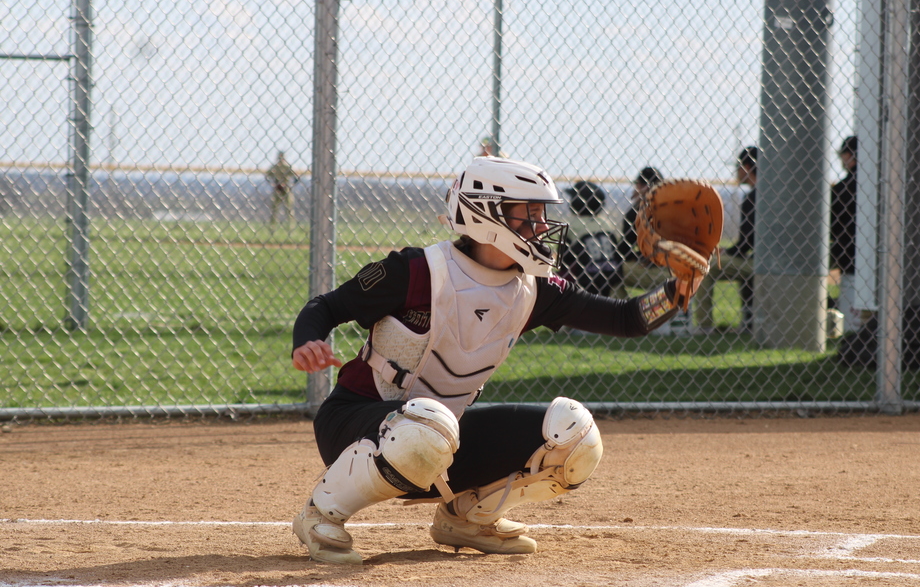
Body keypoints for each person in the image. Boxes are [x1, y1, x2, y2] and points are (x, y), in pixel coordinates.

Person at [290, 156, 688, 564]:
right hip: (354, 426)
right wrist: (307, 341)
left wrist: (678, 289)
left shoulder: (536, 289)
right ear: (485, 214)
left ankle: (466, 517)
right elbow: (326, 306)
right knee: (428, 423)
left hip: (439, 438)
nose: (543, 226)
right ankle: (321, 513)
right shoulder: (416, 271)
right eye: (529, 214)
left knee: (574, 435)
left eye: (542, 214)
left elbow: (626, 318)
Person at [690, 147, 757, 333]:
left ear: (747, 167)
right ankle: (749, 323)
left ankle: (703, 326)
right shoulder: (771, 193)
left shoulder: (754, 197)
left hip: (759, 262)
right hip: (765, 259)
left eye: (739, 166)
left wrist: (728, 252)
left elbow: (746, 243)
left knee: (704, 268)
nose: (736, 171)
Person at [560, 180, 623, 297]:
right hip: (612, 281)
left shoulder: (573, 225)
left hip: (583, 283)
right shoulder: (606, 224)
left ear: (577, 203)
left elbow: (563, 261)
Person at [618, 166, 665, 291]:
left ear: (642, 186)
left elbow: (625, 250)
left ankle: (618, 308)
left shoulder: (637, 212)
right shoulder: (674, 206)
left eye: (638, 185)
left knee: (610, 271)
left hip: (653, 271)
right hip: (679, 269)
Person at [830, 136, 860, 332]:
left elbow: (831, 226)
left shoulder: (841, 189)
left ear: (849, 156)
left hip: (846, 253)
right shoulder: (880, 184)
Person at [265, 151, 298, 224]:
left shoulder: (285, 167)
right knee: (276, 208)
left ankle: (289, 224)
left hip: (285, 187)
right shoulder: (276, 167)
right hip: (279, 187)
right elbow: (267, 176)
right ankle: (274, 224)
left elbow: (295, 177)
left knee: (287, 208)